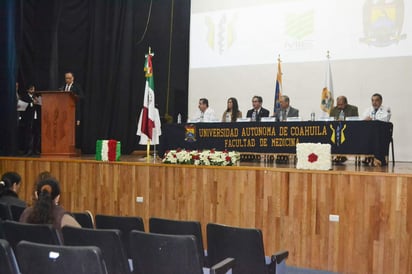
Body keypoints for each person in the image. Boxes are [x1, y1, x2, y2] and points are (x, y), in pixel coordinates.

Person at [361, 93, 391, 165]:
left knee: (376, 137)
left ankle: (378, 158)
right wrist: (366, 119)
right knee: (363, 135)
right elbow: (363, 118)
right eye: (372, 100)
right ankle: (368, 156)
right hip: (370, 133)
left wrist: (372, 119)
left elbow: (386, 118)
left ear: (381, 101)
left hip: (382, 133)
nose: (374, 102)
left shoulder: (386, 109)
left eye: (376, 100)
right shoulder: (368, 109)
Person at [60, 72, 84, 148]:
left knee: (73, 130)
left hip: (74, 111)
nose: (67, 80)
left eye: (69, 78)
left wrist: (75, 96)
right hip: (64, 111)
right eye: (66, 78)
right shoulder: (63, 87)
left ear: (73, 78)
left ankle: (73, 147)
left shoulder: (77, 87)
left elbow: (82, 96)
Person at [19, 84, 41, 156]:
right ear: (28, 90)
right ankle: (28, 150)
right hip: (28, 119)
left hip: (35, 118)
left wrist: (38, 102)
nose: (33, 90)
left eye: (33, 89)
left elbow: (38, 105)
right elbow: (22, 107)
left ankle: (35, 149)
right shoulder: (25, 97)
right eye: (31, 89)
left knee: (36, 134)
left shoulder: (35, 97)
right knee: (28, 135)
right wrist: (32, 103)